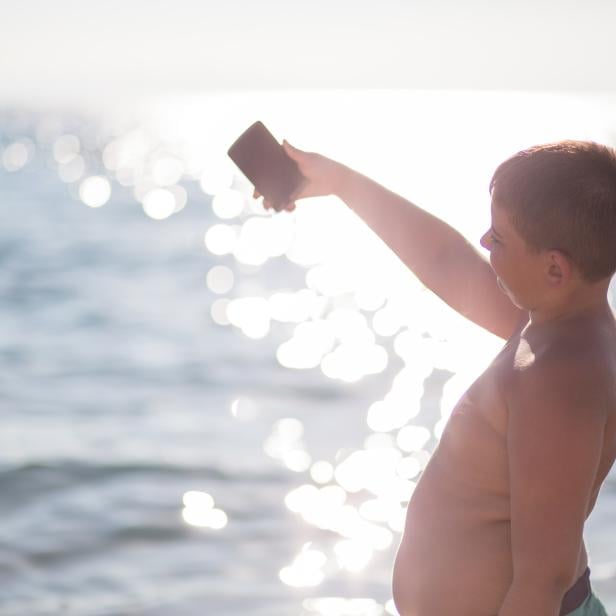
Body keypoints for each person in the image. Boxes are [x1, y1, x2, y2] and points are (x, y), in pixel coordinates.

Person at [254, 139, 616, 615]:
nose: (485, 242)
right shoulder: (549, 325)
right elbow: (447, 260)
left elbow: (542, 580)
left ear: (554, 268)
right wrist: (340, 182)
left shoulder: (559, 378)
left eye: (500, 238)